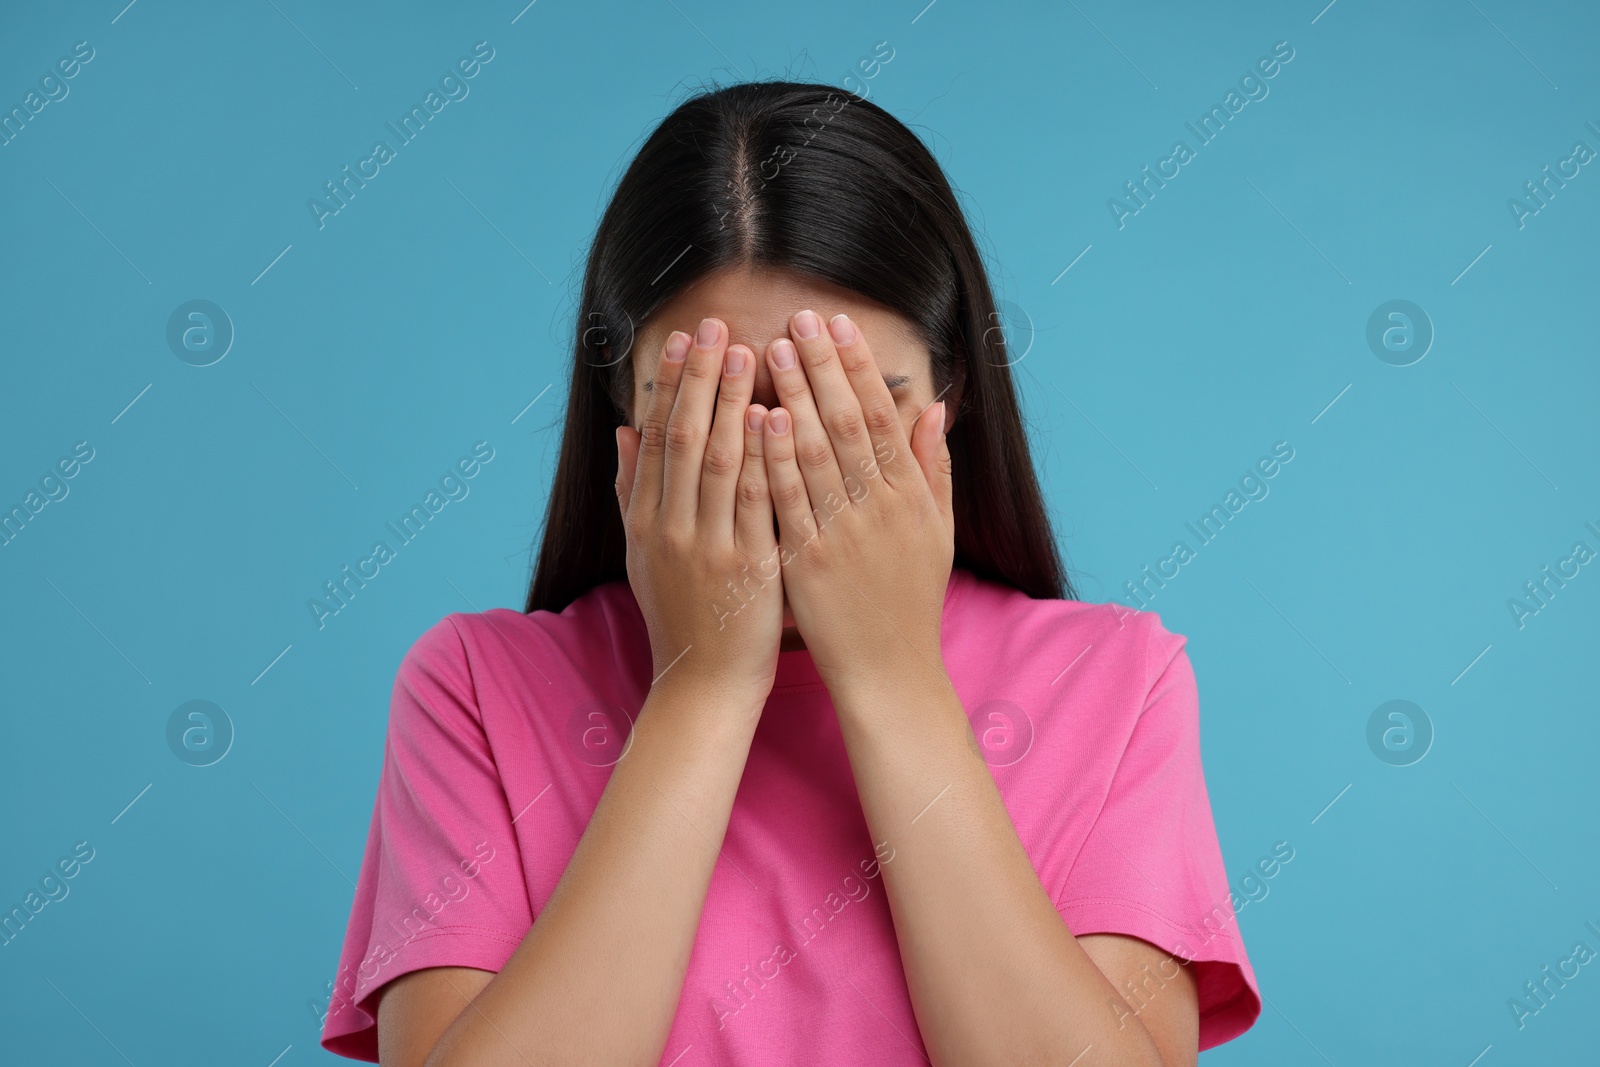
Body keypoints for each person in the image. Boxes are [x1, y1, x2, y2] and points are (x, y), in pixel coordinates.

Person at [321, 79, 1260, 1066]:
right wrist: (702, 685)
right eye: (713, 412)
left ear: (952, 393)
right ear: (625, 419)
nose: (775, 471)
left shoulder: (1117, 682)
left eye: (848, 412)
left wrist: (892, 676)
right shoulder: (475, 684)